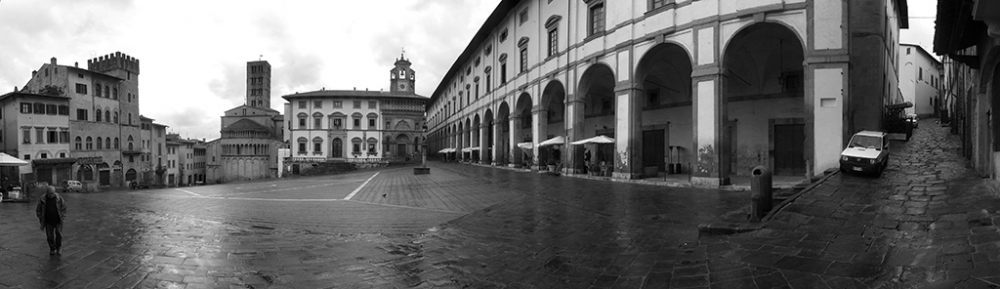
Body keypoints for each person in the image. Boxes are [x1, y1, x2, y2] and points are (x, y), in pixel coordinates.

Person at [35, 185, 66, 255]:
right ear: (47, 193)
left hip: (58, 220)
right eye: (50, 193)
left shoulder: (59, 198)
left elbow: (64, 207)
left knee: (59, 234)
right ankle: (52, 248)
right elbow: (38, 209)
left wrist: (63, 217)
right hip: (48, 220)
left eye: (53, 193)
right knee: (50, 236)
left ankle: (58, 247)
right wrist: (40, 217)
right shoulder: (42, 199)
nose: (51, 195)